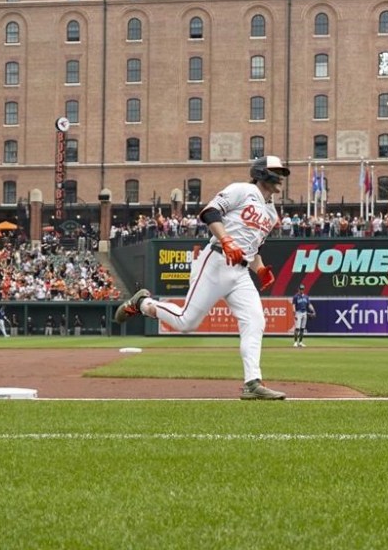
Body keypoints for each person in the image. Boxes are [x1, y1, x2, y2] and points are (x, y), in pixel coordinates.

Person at [114, 155, 290, 400]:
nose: (281, 176)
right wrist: (226, 239)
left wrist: (259, 269)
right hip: (216, 260)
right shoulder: (243, 190)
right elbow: (210, 212)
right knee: (187, 322)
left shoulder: (271, 214)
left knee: (255, 320)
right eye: (276, 171)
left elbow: (253, 250)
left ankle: (252, 382)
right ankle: (142, 304)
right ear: (262, 172)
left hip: (239, 272)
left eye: (283, 171)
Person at [291, 284, 315, 348]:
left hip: (304, 313)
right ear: (298, 289)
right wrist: (294, 313)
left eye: (302, 289)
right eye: (300, 289)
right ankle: (295, 342)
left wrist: (313, 310)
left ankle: (300, 342)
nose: (301, 290)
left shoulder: (306, 297)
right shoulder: (295, 297)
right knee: (297, 328)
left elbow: (309, 304)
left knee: (302, 329)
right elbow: (293, 305)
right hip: (298, 313)